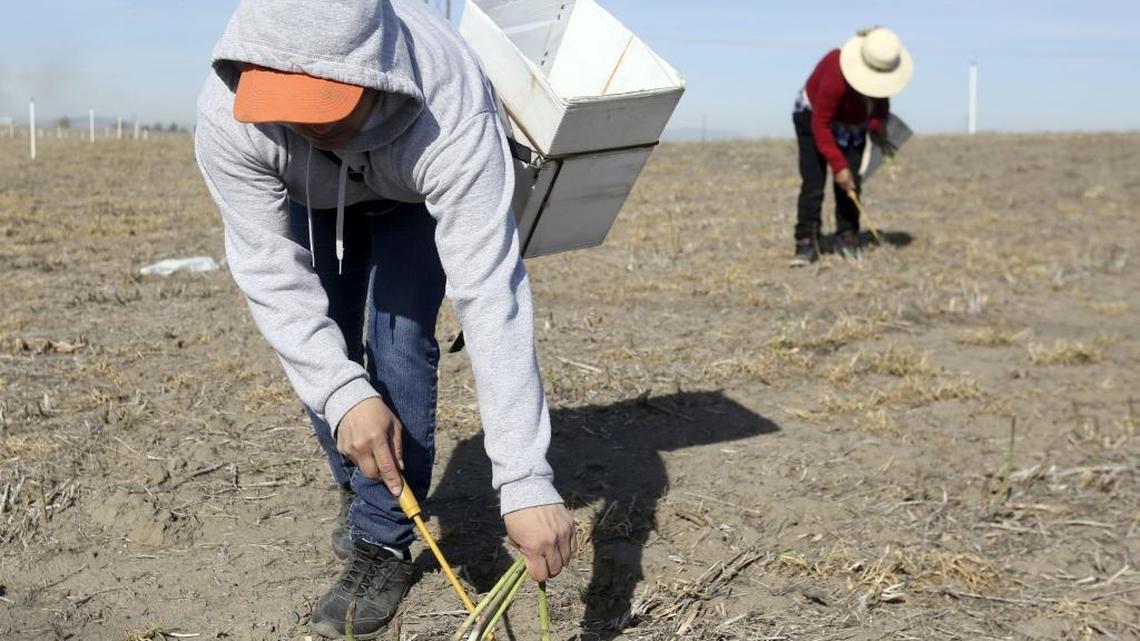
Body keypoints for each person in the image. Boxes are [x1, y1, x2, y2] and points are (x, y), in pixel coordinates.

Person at [194, 1, 576, 637]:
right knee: (331, 353)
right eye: (286, 102)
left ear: (374, 73)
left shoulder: (450, 108)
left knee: (398, 342)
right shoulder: (231, 113)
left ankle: (383, 540)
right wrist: (343, 397)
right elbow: (270, 274)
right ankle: (364, 488)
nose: (303, 122)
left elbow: (493, 296)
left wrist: (526, 482)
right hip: (312, 200)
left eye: (324, 105)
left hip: (413, 200)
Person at [790, 27, 913, 266]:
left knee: (851, 182)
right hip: (813, 117)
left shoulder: (881, 74)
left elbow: (880, 104)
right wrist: (838, 166)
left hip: (852, 125)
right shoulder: (835, 74)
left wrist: (877, 128)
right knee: (813, 181)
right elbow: (820, 124)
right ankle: (806, 240)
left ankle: (847, 234)